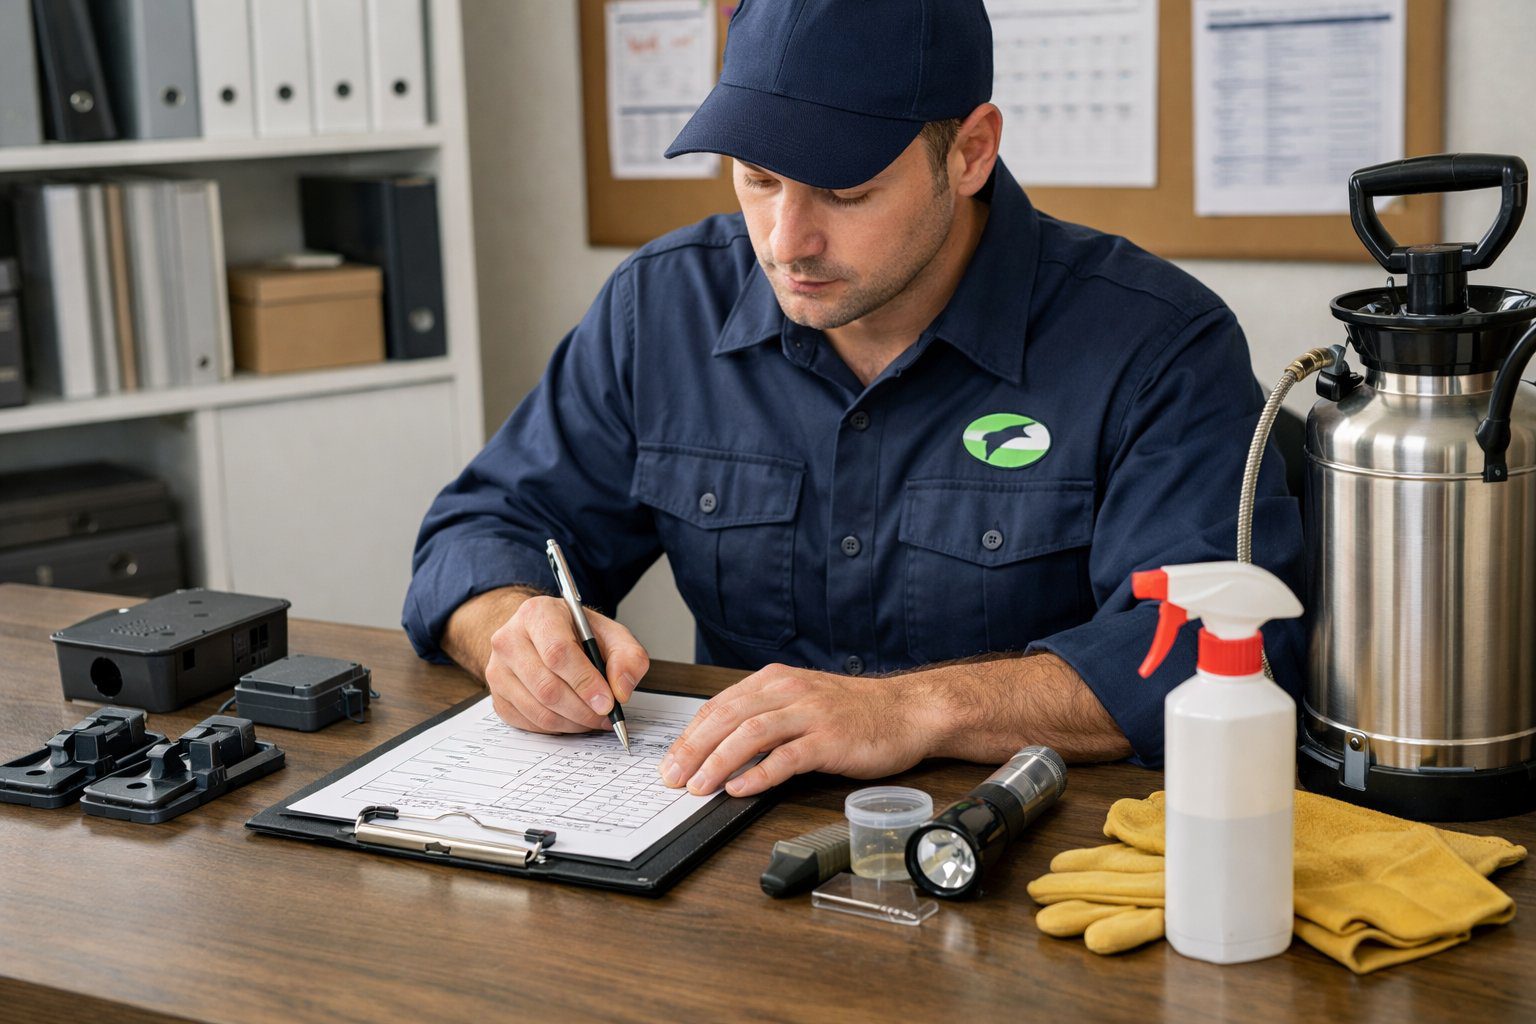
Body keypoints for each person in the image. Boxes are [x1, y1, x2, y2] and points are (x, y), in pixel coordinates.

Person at [403, 0, 1304, 801]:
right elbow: (480, 529)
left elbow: (1215, 643)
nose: (786, 241)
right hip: (720, 837)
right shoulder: (663, 306)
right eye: (758, 178)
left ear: (971, 152)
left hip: (1022, 850)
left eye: (846, 190)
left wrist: (912, 710)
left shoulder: (1156, 344)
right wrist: (510, 628)